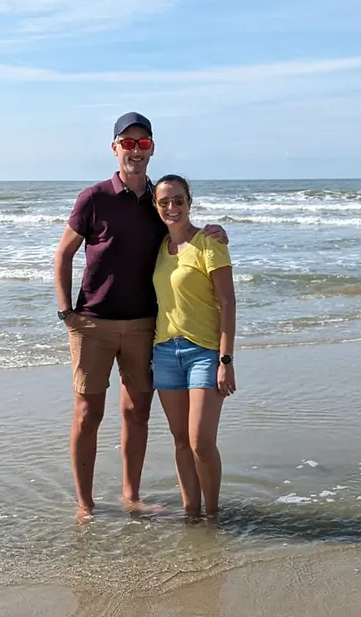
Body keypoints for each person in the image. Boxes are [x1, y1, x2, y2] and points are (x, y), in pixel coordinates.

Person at [53, 112, 227, 521]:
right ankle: (85, 504)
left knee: (137, 412)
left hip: (145, 326)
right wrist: (66, 311)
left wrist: (214, 231)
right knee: (87, 414)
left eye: (143, 143)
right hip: (92, 323)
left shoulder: (157, 200)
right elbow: (63, 255)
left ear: (152, 149)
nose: (135, 151)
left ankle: (131, 495)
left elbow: (181, 231)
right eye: (127, 143)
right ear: (114, 148)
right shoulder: (93, 198)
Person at [150, 174, 237, 520]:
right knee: (181, 440)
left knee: (201, 441)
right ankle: (191, 514)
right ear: (156, 206)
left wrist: (226, 360)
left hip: (204, 353)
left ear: (190, 202)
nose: (172, 207)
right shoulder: (159, 247)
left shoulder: (210, 243)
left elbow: (228, 303)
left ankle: (212, 515)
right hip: (164, 353)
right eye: (164, 202)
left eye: (179, 200)